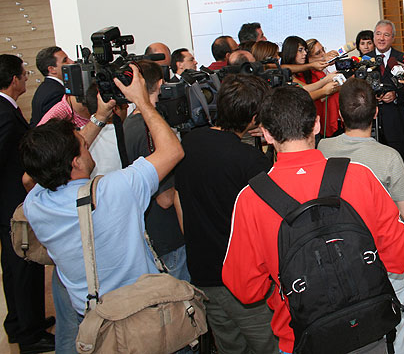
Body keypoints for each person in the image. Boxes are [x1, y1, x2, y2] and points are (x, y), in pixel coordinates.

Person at [222, 85, 404, 354]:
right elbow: (399, 258)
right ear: (317, 125)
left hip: (301, 337)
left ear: (265, 134)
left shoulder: (251, 199)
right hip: (368, 330)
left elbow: (246, 289)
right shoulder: (361, 177)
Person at [20, 63, 184, 347]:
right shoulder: (113, 190)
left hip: (93, 317)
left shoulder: (36, 202)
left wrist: (98, 117)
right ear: (75, 161)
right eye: (81, 144)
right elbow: (172, 150)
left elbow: (29, 177)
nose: (87, 143)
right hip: (139, 313)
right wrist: (142, 102)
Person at [175, 74, 277, 354]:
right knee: (268, 344)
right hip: (244, 280)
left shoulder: (189, 143)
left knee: (230, 346)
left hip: (203, 272)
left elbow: (177, 198)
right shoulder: (251, 161)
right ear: (255, 118)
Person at [317, 77, 404, 354]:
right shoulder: (388, 157)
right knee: (399, 326)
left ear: (339, 114)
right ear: (376, 112)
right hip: (384, 256)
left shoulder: (322, 148)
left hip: (336, 254)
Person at [0, 54, 55, 353]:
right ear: (13, 80)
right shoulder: (5, 113)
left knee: (15, 266)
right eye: (22, 74)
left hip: (10, 200)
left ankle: (21, 323)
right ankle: (30, 335)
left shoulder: (7, 109)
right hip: (11, 202)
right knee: (23, 265)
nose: (25, 78)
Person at [123, 60, 188, 281]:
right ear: (160, 84)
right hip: (167, 237)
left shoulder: (128, 123)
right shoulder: (150, 130)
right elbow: (165, 198)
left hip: (150, 230)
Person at [364, 20, 404, 178]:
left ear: (393, 38)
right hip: (371, 121)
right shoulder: (364, 60)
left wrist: (396, 95)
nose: (381, 38)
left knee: (400, 163)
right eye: (378, 34)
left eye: (386, 34)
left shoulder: (402, 58)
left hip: (395, 120)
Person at [280, 36, 338, 103]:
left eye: (305, 50)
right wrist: (326, 82)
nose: (305, 53)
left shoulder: (311, 71)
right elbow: (305, 91)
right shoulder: (286, 75)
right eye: (300, 50)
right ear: (291, 52)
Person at [30, 46, 73, 127]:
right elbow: (56, 126)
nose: (72, 62)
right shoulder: (55, 93)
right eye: (65, 60)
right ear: (52, 69)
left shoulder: (46, 87)